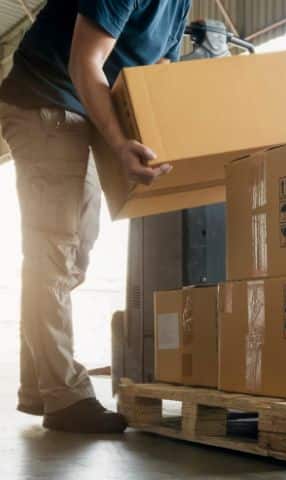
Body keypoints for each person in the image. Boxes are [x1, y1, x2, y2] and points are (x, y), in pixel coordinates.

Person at [0, 0, 191, 433]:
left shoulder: (181, 5)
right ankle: (65, 397)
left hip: (84, 108)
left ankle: (39, 384)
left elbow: (157, 74)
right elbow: (85, 60)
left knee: (77, 251)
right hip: (44, 97)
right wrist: (121, 143)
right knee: (56, 247)